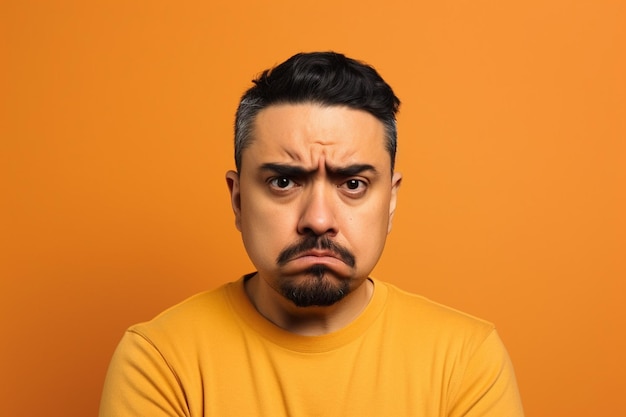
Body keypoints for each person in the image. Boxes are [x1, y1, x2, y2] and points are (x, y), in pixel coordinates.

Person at [99, 51, 525, 417]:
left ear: (390, 201)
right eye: (284, 182)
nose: (319, 220)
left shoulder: (465, 360)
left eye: (353, 184)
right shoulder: (160, 361)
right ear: (238, 199)